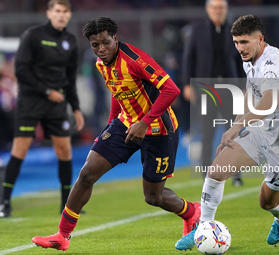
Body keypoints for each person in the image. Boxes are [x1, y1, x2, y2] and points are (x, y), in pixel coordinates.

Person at [32, 17, 201, 252]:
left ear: (115, 38)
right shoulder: (102, 63)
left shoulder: (135, 60)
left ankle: (192, 212)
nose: (100, 49)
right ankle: (62, 236)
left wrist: (144, 122)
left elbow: (171, 89)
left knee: (153, 197)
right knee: (87, 173)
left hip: (158, 129)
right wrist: (111, 125)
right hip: (125, 124)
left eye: (104, 43)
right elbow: (117, 91)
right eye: (95, 45)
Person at [175, 14, 279, 250]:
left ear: (260, 39)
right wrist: (237, 126)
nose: (239, 48)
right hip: (260, 132)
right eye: (236, 42)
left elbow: (269, 101)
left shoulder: (273, 64)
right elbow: (250, 93)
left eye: (244, 42)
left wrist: (237, 126)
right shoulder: (250, 60)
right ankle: (203, 228)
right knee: (216, 171)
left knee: (267, 202)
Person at [0, 0, 84, 218]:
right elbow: (21, 70)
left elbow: (70, 80)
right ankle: (4, 202)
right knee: (20, 150)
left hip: (56, 105)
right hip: (31, 102)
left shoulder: (71, 41)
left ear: (69, 15)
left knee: (65, 151)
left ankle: (67, 206)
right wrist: (47, 91)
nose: (61, 15)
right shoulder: (33, 35)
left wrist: (76, 108)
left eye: (65, 12)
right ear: (49, 13)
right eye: (57, 11)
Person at [182, 0, 244, 186]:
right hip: (205, 90)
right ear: (208, 10)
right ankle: (206, 177)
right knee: (207, 134)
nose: (218, 11)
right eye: (215, 8)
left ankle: (236, 175)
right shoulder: (197, 31)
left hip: (230, 89)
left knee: (233, 133)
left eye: (221, 8)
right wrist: (187, 84)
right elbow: (188, 58)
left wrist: (244, 85)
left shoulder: (235, 31)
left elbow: (243, 59)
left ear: (226, 10)